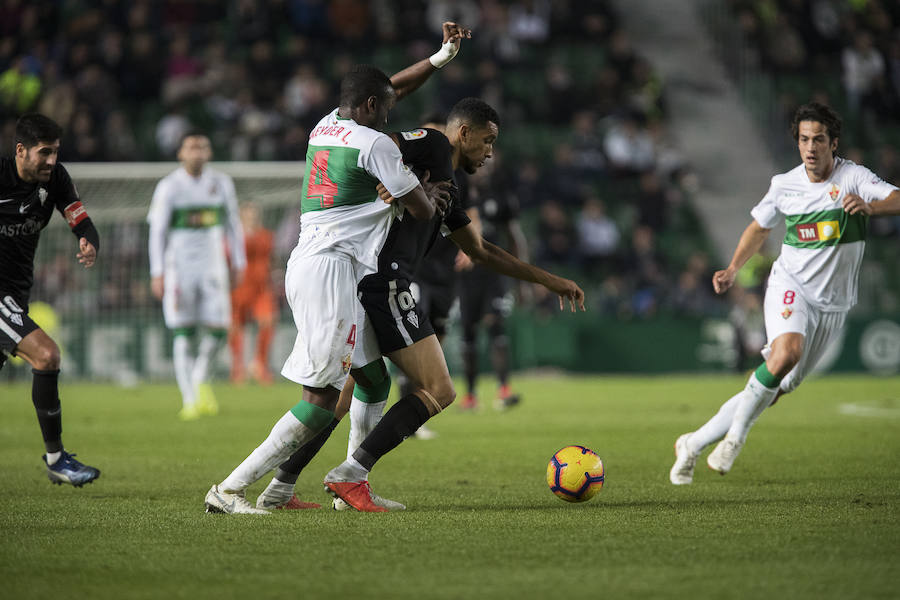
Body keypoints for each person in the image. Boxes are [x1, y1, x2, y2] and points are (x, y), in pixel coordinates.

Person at [256, 98, 586, 513]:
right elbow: (383, 143)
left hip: (364, 284)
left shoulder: (444, 188)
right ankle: (350, 474)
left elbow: (481, 250)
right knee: (438, 389)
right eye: (487, 142)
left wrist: (549, 280)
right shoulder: (429, 145)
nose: (490, 153)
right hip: (383, 283)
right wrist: (390, 176)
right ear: (463, 133)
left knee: (347, 393)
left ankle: (282, 486)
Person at [204, 22, 470, 515]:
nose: (392, 112)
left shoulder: (326, 125)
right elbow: (421, 211)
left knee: (372, 383)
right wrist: (427, 193)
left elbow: (396, 85)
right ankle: (228, 489)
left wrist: (438, 59)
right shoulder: (376, 145)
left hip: (328, 266)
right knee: (322, 397)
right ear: (370, 106)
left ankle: (332, 489)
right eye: (386, 107)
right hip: (330, 271)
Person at [670, 102, 900, 485]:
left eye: (819, 139)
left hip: (833, 306)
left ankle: (692, 443)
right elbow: (759, 227)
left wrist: (871, 208)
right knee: (786, 353)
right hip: (790, 285)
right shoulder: (784, 185)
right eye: (804, 139)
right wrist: (732, 268)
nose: (811, 147)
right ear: (797, 143)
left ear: (834, 143)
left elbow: (897, 198)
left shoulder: (854, 177)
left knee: (775, 385)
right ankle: (734, 439)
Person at [0, 113, 101, 487]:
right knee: (46, 355)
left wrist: (88, 241)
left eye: (55, 152)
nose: (51, 161)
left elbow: (79, 218)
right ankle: (57, 459)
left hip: (15, 294)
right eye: (44, 153)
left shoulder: (56, 180)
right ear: (21, 151)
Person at [148, 132, 247, 421]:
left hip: (213, 267)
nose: (197, 152)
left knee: (219, 328)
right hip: (179, 268)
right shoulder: (169, 187)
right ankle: (190, 399)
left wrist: (238, 262)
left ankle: (200, 377)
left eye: (202, 147)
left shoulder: (221, 183)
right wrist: (157, 272)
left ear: (210, 152)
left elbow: (233, 224)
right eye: (191, 147)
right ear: (180, 153)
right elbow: (157, 232)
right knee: (183, 332)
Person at [457, 154, 530, 411]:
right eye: (482, 163)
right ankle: (470, 395)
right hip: (464, 276)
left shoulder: (502, 198)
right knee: (468, 332)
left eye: (490, 164)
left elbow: (515, 238)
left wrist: (523, 281)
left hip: (494, 274)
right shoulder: (456, 193)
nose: (485, 168)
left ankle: (504, 389)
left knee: (496, 325)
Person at [228, 201, 276, 385]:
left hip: (261, 287)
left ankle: (260, 364)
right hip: (239, 286)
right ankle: (238, 367)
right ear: (242, 215)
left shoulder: (266, 235)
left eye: (255, 214)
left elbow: (270, 258)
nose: (253, 217)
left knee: (268, 321)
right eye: (249, 214)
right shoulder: (235, 236)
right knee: (236, 327)